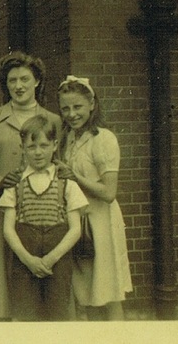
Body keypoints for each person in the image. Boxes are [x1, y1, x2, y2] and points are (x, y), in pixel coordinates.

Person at [0, 51, 62, 321]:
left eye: (25, 79)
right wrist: (0, 182)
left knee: (34, 293)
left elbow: (60, 167)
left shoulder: (53, 120)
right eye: (12, 80)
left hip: (41, 215)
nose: (18, 86)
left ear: (37, 81)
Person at [0, 114, 88, 321]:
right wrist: (28, 260)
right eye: (31, 147)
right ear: (23, 147)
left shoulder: (66, 182)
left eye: (44, 145)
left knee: (57, 315)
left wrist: (51, 259)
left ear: (55, 145)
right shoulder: (15, 183)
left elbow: (75, 229)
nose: (38, 152)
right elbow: (8, 229)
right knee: (26, 315)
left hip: (58, 260)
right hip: (24, 261)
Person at [56, 75, 133, 321]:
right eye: (65, 108)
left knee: (108, 293)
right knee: (83, 295)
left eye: (77, 107)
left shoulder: (104, 139)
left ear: (92, 104)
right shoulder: (68, 138)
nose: (71, 114)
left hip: (101, 224)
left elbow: (109, 193)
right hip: (78, 222)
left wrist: (75, 176)